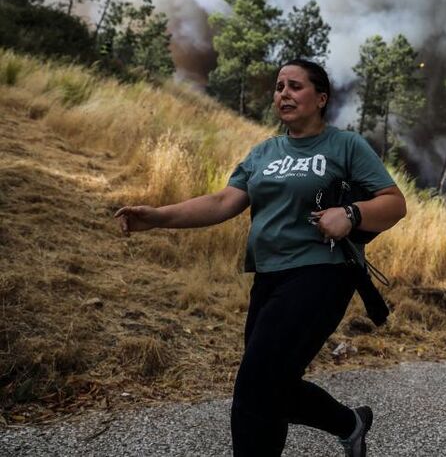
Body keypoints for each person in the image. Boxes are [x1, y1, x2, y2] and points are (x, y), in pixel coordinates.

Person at [114, 59, 406, 457]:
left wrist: (351, 214)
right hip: (268, 278)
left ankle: (346, 425)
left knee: (255, 385)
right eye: (279, 86)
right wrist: (159, 217)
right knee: (274, 385)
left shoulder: (345, 145)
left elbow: (394, 203)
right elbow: (222, 201)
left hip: (322, 274)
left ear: (320, 98)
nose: (283, 93)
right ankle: (349, 424)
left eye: (295, 86)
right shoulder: (264, 152)